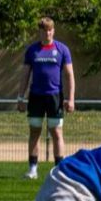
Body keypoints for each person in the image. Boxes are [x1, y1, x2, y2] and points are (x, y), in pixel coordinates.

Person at [17, 17, 75, 180]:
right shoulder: (32, 50)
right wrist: (20, 98)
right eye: (44, 30)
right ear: (40, 32)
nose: (47, 33)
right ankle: (33, 169)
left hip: (55, 96)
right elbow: (25, 75)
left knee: (57, 132)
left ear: (53, 31)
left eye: (50, 30)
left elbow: (70, 75)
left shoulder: (62, 49)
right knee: (34, 131)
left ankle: (59, 171)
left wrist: (71, 99)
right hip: (36, 97)